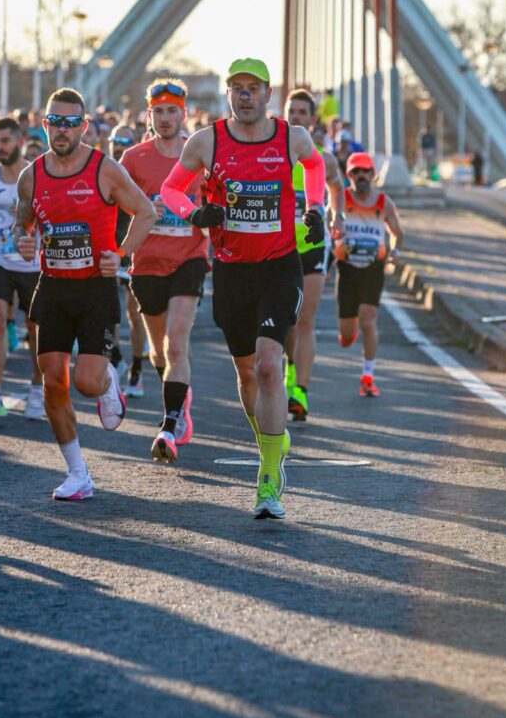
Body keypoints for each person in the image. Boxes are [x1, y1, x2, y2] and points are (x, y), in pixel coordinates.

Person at [161, 58, 326, 520]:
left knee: (272, 367)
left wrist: (314, 207)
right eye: (238, 88)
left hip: (279, 267)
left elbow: (314, 169)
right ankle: (273, 442)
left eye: (254, 88)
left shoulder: (291, 137)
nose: (246, 95)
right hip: (232, 274)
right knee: (249, 375)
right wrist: (193, 213)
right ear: (228, 93)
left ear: (268, 94)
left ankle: (269, 478)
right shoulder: (205, 141)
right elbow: (172, 190)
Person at [13, 88, 155, 501]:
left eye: (70, 122)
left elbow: (146, 212)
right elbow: (22, 223)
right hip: (53, 287)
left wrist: (122, 254)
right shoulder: (31, 176)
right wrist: (23, 240)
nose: (62, 129)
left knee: (86, 382)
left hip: (95, 288)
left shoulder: (104, 170)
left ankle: (108, 381)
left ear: (84, 126)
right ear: (44, 125)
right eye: (55, 121)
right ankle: (78, 474)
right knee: (53, 384)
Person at [121, 80, 210, 462]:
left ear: (184, 113)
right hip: (147, 262)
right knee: (159, 349)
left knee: (177, 341)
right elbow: (117, 205)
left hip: (190, 256)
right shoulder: (133, 159)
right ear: (150, 114)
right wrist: (142, 215)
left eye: (173, 110)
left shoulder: (201, 157)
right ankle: (180, 393)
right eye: (159, 110)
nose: (166, 117)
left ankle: (169, 424)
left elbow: (216, 203)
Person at [0, 117, 43, 418]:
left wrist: (30, 214)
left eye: (5, 141)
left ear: (18, 141)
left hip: (32, 263)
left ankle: (37, 389)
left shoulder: (36, 175)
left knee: (34, 328)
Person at [283, 88, 344, 422]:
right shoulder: (272, 156)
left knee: (305, 320)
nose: (296, 118)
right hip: (278, 249)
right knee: (287, 323)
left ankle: (301, 392)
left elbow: (337, 185)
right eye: (292, 111)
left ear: (313, 118)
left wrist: (338, 215)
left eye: (303, 113)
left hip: (312, 248)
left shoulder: (322, 157)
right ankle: (290, 370)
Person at [334, 151, 404, 397]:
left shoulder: (384, 202)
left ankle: (368, 376)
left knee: (368, 321)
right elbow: (326, 225)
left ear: (373, 174)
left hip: (374, 267)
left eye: (365, 171)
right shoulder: (340, 199)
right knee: (346, 334)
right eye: (356, 171)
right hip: (347, 267)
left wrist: (394, 251)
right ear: (348, 175)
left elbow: (397, 232)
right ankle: (348, 335)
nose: (361, 176)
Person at [108, 124, 147, 395]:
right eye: (115, 139)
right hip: (111, 248)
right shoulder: (105, 169)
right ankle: (116, 358)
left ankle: (136, 371)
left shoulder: (139, 171)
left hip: (135, 249)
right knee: (110, 311)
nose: (119, 144)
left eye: (126, 141)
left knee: (135, 313)